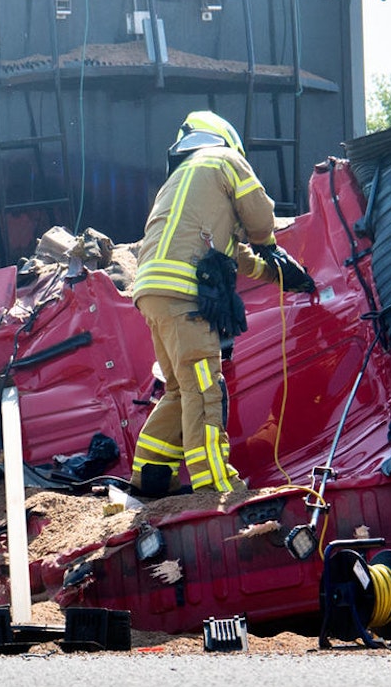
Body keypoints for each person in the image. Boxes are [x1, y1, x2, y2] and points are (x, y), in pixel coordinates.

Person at [129, 110, 314, 495]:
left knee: (180, 390)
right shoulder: (223, 159)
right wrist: (269, 242)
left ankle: (150, 473)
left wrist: (278, 275)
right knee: (204, 389)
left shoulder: (182, 182)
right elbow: (256, 205)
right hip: (184, 294)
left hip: (152, 293)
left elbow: (233, 254)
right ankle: (214, 483)